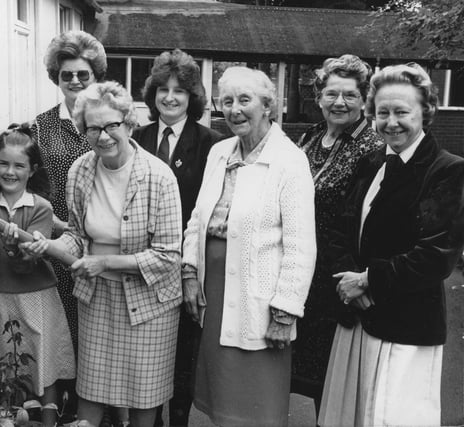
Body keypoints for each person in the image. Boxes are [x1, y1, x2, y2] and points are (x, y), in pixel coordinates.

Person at [318, 63, 464, 427]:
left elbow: (435, 256)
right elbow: (339, 227)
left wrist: (368, 280)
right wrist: (349, 280)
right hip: (357, 319)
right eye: (382, 112)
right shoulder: (371, 163)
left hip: (406, 327)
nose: (391, 122)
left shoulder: (447, 170)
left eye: (402, 112)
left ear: (425, 112)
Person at [32, 81, 183, 427]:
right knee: (92, 393)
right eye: (93, 128)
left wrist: (104, 263)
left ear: (129, 123)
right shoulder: (80, 171)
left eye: (112, 125)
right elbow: (77, 236)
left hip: (150, 304)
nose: (103, 136)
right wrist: (48, 247)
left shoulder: (159, 176)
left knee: (144, 400)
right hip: (97, 298)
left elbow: (168, 256)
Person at [182, 67, 316, 427]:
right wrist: (190, 274)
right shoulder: (220, 152)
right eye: (227, 101)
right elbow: (198, 217)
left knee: (259, 405)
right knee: (222, 400)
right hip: (215, 289)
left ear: (268, 105)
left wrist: (285, 312)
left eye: (245, 100)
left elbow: (301, 246)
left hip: (260, 299)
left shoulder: (290, 161)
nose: (235, 109)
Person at [132, 48, 222, 427]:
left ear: (193, 98)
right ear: (152, 95)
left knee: (185, 351)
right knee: (149, 355)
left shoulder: (211, 142)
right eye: (163, 90)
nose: (170, 97)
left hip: (186, 262)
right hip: (145, 263)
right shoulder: (137, 137)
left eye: (179, 91)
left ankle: (179, 420)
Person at [0, 124, 76, 427]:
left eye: (19, 165)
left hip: (36, 297)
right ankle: (6, 419)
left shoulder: (40, 207)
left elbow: (28, 263)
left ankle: (50, 419)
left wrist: (17, 248)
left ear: (32, 170)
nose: (10, 171)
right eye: (3, 163)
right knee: (2, 361)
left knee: (43, 360)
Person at [292, 54, 382, 414]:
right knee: (301, 374)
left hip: (336, 277)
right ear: (319, 97)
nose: (339, 102)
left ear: (364, 99)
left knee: (332, 385)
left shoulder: (372, 147)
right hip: (301, 273)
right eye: (331, 93)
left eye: (350, 95)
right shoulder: (310, 137)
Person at [29, 29, 107, 355]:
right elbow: (33, 186)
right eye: (67, 75)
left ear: (96, 76)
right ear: (56, 78)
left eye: (83, 74)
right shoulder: (41, 126)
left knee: (100, 331)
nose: (75, 81)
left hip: (102, 243)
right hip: (58, 243)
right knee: (64, 330)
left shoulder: (108, 122)